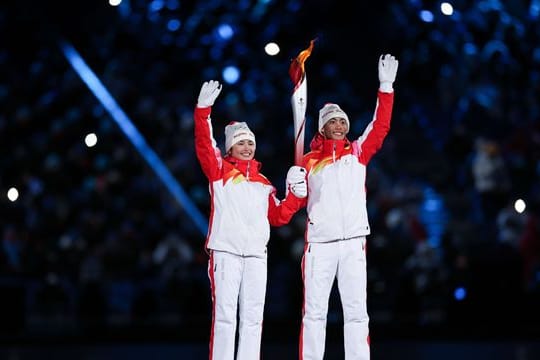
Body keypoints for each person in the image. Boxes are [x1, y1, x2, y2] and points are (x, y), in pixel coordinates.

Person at [289, 54, 399, 359]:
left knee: (356, 312)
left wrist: (386, 87)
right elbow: (294, 204)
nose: (338, 126)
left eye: (342, 121)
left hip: (352, 242)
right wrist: (293, 187)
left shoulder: (358, 152)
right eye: (332, 122)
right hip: (320, 245)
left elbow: (381, 126)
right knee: (314, 314)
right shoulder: (308, 162)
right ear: (322, 128)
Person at [193, 80, 307, 360]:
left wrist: (297, 195)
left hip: (256, 255)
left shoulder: (263, 182)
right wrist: (203, 111)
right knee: (225, 318)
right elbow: (205, 145)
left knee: (253, 319)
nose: (246, 147)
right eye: (240, 143)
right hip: (227, 252)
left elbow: (278, 216)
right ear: (230, 147)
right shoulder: (219, 171)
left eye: (250, 143)